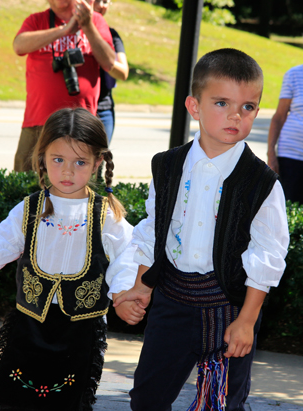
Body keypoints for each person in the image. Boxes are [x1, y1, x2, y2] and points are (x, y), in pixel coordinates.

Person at [113, 48, 290, 411]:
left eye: (248, 107)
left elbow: (268, 253)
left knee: (223, 402)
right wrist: (140, 287)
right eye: (222, 103)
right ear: (194, 106)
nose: (236, 116)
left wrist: (246, 321)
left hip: (229, 309)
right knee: (147, 398)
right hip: (171, 301)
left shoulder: (261, 183)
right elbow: (155, 231)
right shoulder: (167, 166)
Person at [0, 108, 138, 411]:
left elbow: (129, 254)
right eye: (58, 160)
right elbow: (2, 241)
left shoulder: (105, 215)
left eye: (80, 162)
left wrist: (122, 291)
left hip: (79, 330)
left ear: (97, 163)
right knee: (11, 395)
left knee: (66, 400)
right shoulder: (28, 210)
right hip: (28, 323)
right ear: (42, 158)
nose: (68, 171)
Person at [13, 0, 116, 172]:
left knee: (79, 182)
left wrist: (88, 26)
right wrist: (65, 30)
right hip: (38, 121)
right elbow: (18, 46)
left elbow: (110, 62)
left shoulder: (95, 21)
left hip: (80, 124)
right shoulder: (37, 20)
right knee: (25, 181)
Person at [93, 0, 129, 144]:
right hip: (77, 108)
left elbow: (123, 72)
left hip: (103, 108)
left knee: (98, 162)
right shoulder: (72, 32)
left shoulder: (112, 35)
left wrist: (106, 59)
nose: (101, 5)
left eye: (105, 1)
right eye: (96, 1)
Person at [267, 64, 303, 204]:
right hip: (291, 155)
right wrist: (271, 154)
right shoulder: (293, 74)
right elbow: (279, 116)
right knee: (288, 208)